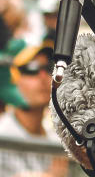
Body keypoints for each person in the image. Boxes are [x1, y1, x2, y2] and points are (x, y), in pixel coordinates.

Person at [0, 40, 66, 176]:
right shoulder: (3, 134)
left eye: (48, 68)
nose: (43, 77)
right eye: (32, 68)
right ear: (12, 78)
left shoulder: (55, 137)